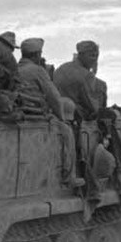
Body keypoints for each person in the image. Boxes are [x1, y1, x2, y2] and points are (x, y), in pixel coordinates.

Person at [16, 38, 82, 188]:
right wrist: (62, 118)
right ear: (37, 54)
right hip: (37, 115)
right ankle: (69, 177)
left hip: (22, 112)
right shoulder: (38, 71)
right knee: (67, 132)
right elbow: (54, 98)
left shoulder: (15, 69)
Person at [53, 40, 102, 120]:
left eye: (97, 56)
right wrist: (93, 74)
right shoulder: (86, 75)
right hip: (74, 115)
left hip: (56, 111)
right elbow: (93, 106)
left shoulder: (63, 67)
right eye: (92, 56)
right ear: (81, 55)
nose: (95, 60)